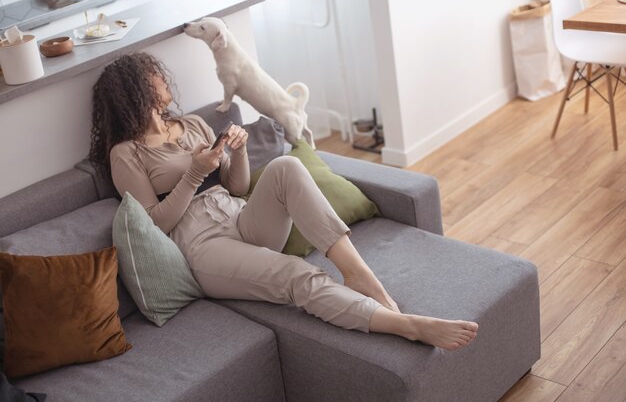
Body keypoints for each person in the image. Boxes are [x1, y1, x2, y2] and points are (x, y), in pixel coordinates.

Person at [88, 52, 478, 351]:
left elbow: (237, 186)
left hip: (239, 216)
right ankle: (410, 326)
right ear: (135, 91)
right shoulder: (127, 154)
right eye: (152, 75)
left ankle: (359, 274)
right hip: (203, 247)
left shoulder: (191, 124)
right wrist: (192, 173)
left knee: (287, 166)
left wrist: (236, 151)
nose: (162, 78)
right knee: (296, 274)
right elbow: (155, 224)